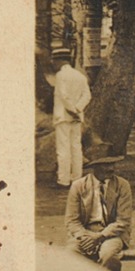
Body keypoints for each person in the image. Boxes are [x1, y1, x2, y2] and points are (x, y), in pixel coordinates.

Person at [65, 150, 132, 271]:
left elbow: (123, 221)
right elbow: (72, 220)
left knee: (109, 255)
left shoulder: (122, 185)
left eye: (113, 164)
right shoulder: (78, 186)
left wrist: (100, 236)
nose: (111, 168)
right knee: (71, 253)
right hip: (85, 234)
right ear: (94, 167)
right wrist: (85, 237)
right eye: (105, 165)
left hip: (111, 234)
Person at [50, 46, 91, 187]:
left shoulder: (61, 76)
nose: (53, 63)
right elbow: (87, 95)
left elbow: (64, 95)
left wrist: (72, 110)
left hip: (63, 116)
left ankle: (63, 180)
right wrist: (78, 109)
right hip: (77, 117)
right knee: (76, 147)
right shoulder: (80, 76)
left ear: (60, 61)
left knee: (63, 149)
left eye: (54, 61)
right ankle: (77, 178)